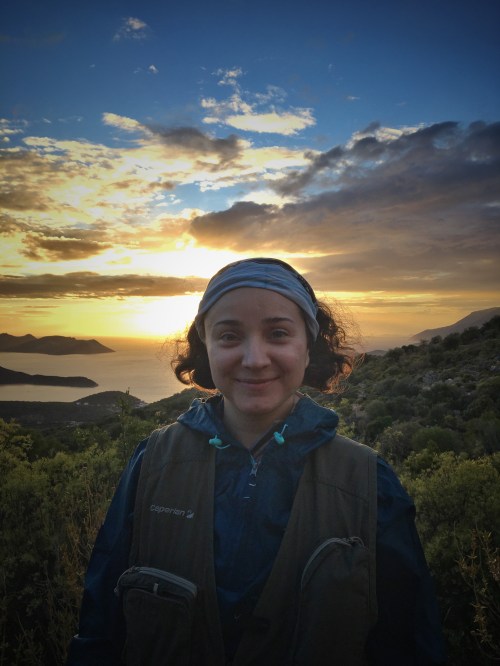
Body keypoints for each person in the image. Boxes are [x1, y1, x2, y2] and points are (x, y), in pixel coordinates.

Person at [67, 257, 446, 665]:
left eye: (278, 333)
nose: (254, 358)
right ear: (207, 349)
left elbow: (408, 641)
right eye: (229, 336)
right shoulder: (153, 464)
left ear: (308, 348)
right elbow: (100, 631)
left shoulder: (368, 482)